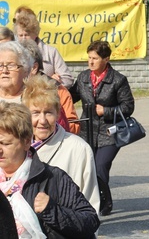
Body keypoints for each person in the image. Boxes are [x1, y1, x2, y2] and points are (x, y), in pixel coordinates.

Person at [0, 103, 100, 239]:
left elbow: (90, 221)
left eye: (6, 144)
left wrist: (52, 210)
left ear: (26, 142)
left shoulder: (52, 178)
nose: (0, 150)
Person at [69, 40, 134, 216]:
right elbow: (71, 97)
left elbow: (128, 107)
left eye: (95, 58)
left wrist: (105, 110)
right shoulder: (83, 77)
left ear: (106, 59)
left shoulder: (118, 80)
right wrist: (58, 88)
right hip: (86, 131)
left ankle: (103, 200)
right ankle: (99, 199)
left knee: (100, 166)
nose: (90, 62)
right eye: (89, 58)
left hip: (110, 133)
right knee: (87, 168)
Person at [21, 75, 100, 211]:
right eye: (35, 113)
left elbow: (90, 203)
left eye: (48, 113)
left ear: (58, 114)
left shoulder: (78, 148)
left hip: (64, 228)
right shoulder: (18, 147)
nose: (42, 120)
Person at [13, 12, 73, 88]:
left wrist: (52, 81)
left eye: (27, 35)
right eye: (20, 35)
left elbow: (68, 79)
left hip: (46, 97)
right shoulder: (13, 53)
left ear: (36, 34)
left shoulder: (51, 52)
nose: (24, 38)